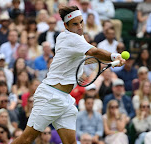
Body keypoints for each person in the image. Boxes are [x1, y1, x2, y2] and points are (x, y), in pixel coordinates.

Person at [11, 6, 125, 144]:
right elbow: (94, 53)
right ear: (66, 25)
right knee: (27, 138)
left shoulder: (76, 38)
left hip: (65, 99)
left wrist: (113, 60)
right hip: (50, 96)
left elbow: (86, 59)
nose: (80, 26)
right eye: (75, 24)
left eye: (81, 22)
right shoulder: (70, 38)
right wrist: (114, 56)